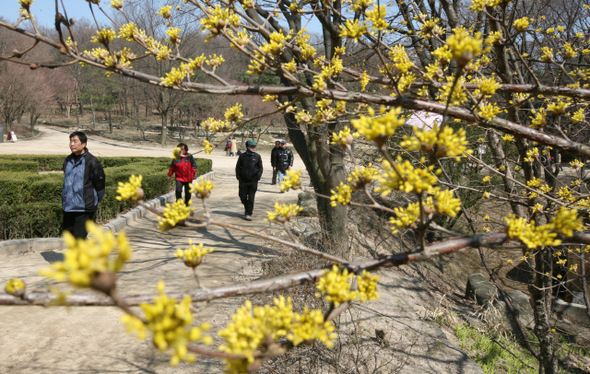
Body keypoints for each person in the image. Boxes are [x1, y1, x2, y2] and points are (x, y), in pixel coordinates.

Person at [62, 131, 105, 239]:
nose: (72, 144)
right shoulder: (68, 160)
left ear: (84, 144)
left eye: (75, 141)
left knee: (79, 238)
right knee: (68, 237)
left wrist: (92, 200)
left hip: (84, 207)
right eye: (71, 141)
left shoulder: (92, 161)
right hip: (69, 206)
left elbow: (100, 184)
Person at [235, 140, 263, 221]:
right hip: (243, 181)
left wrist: (258, 177)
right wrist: (238, 176)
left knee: (251, 198)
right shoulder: (242, 156)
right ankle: (247, 206)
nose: (253, 148)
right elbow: (238, 167)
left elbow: (260, 168)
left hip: (253, 181)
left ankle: (248, 213)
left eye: (254, 147)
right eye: (251, 147)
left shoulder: (257, 156)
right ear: (247, 147)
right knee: (242, 196)